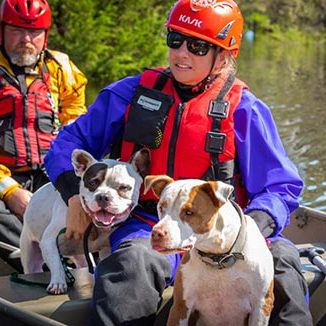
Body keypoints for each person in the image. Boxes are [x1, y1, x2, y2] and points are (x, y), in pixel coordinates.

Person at [45, 0, 313, 325]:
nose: (182, 53)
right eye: (176, 39)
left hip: (225, 233)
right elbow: (66, 144)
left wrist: (247, 233)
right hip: (150, 224)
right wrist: (75, 194)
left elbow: (279, 187)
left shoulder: (246, 110)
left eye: (198, 46)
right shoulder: (129, 93)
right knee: (133, 263)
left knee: (283, 263)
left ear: (224, 55)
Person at [0, 0, 87, 270]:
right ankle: (45, 259)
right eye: (16, 31)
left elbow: (76, 125)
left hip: (51, 175)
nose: (27, 40)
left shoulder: (61, 68)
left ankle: (74, 259)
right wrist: (10, 191)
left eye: (35, 32)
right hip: (7, 178)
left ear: (45, 35)